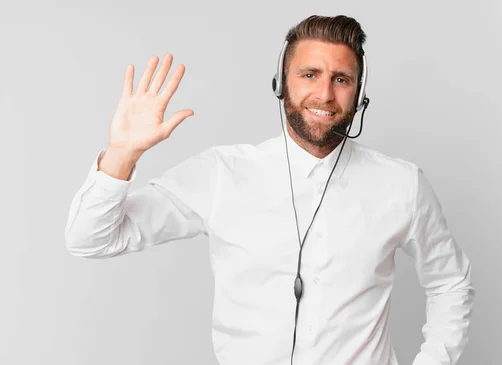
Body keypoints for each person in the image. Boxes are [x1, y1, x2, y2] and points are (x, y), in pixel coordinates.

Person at [65, 15, 474, 365]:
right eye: (309, 74)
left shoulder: (401, 184)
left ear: (359, 94)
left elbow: (450, 282)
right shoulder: (222, 173)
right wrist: (121, 154)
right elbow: (91, 240)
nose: (325, 94)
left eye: (342, 79)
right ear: (282, 82)